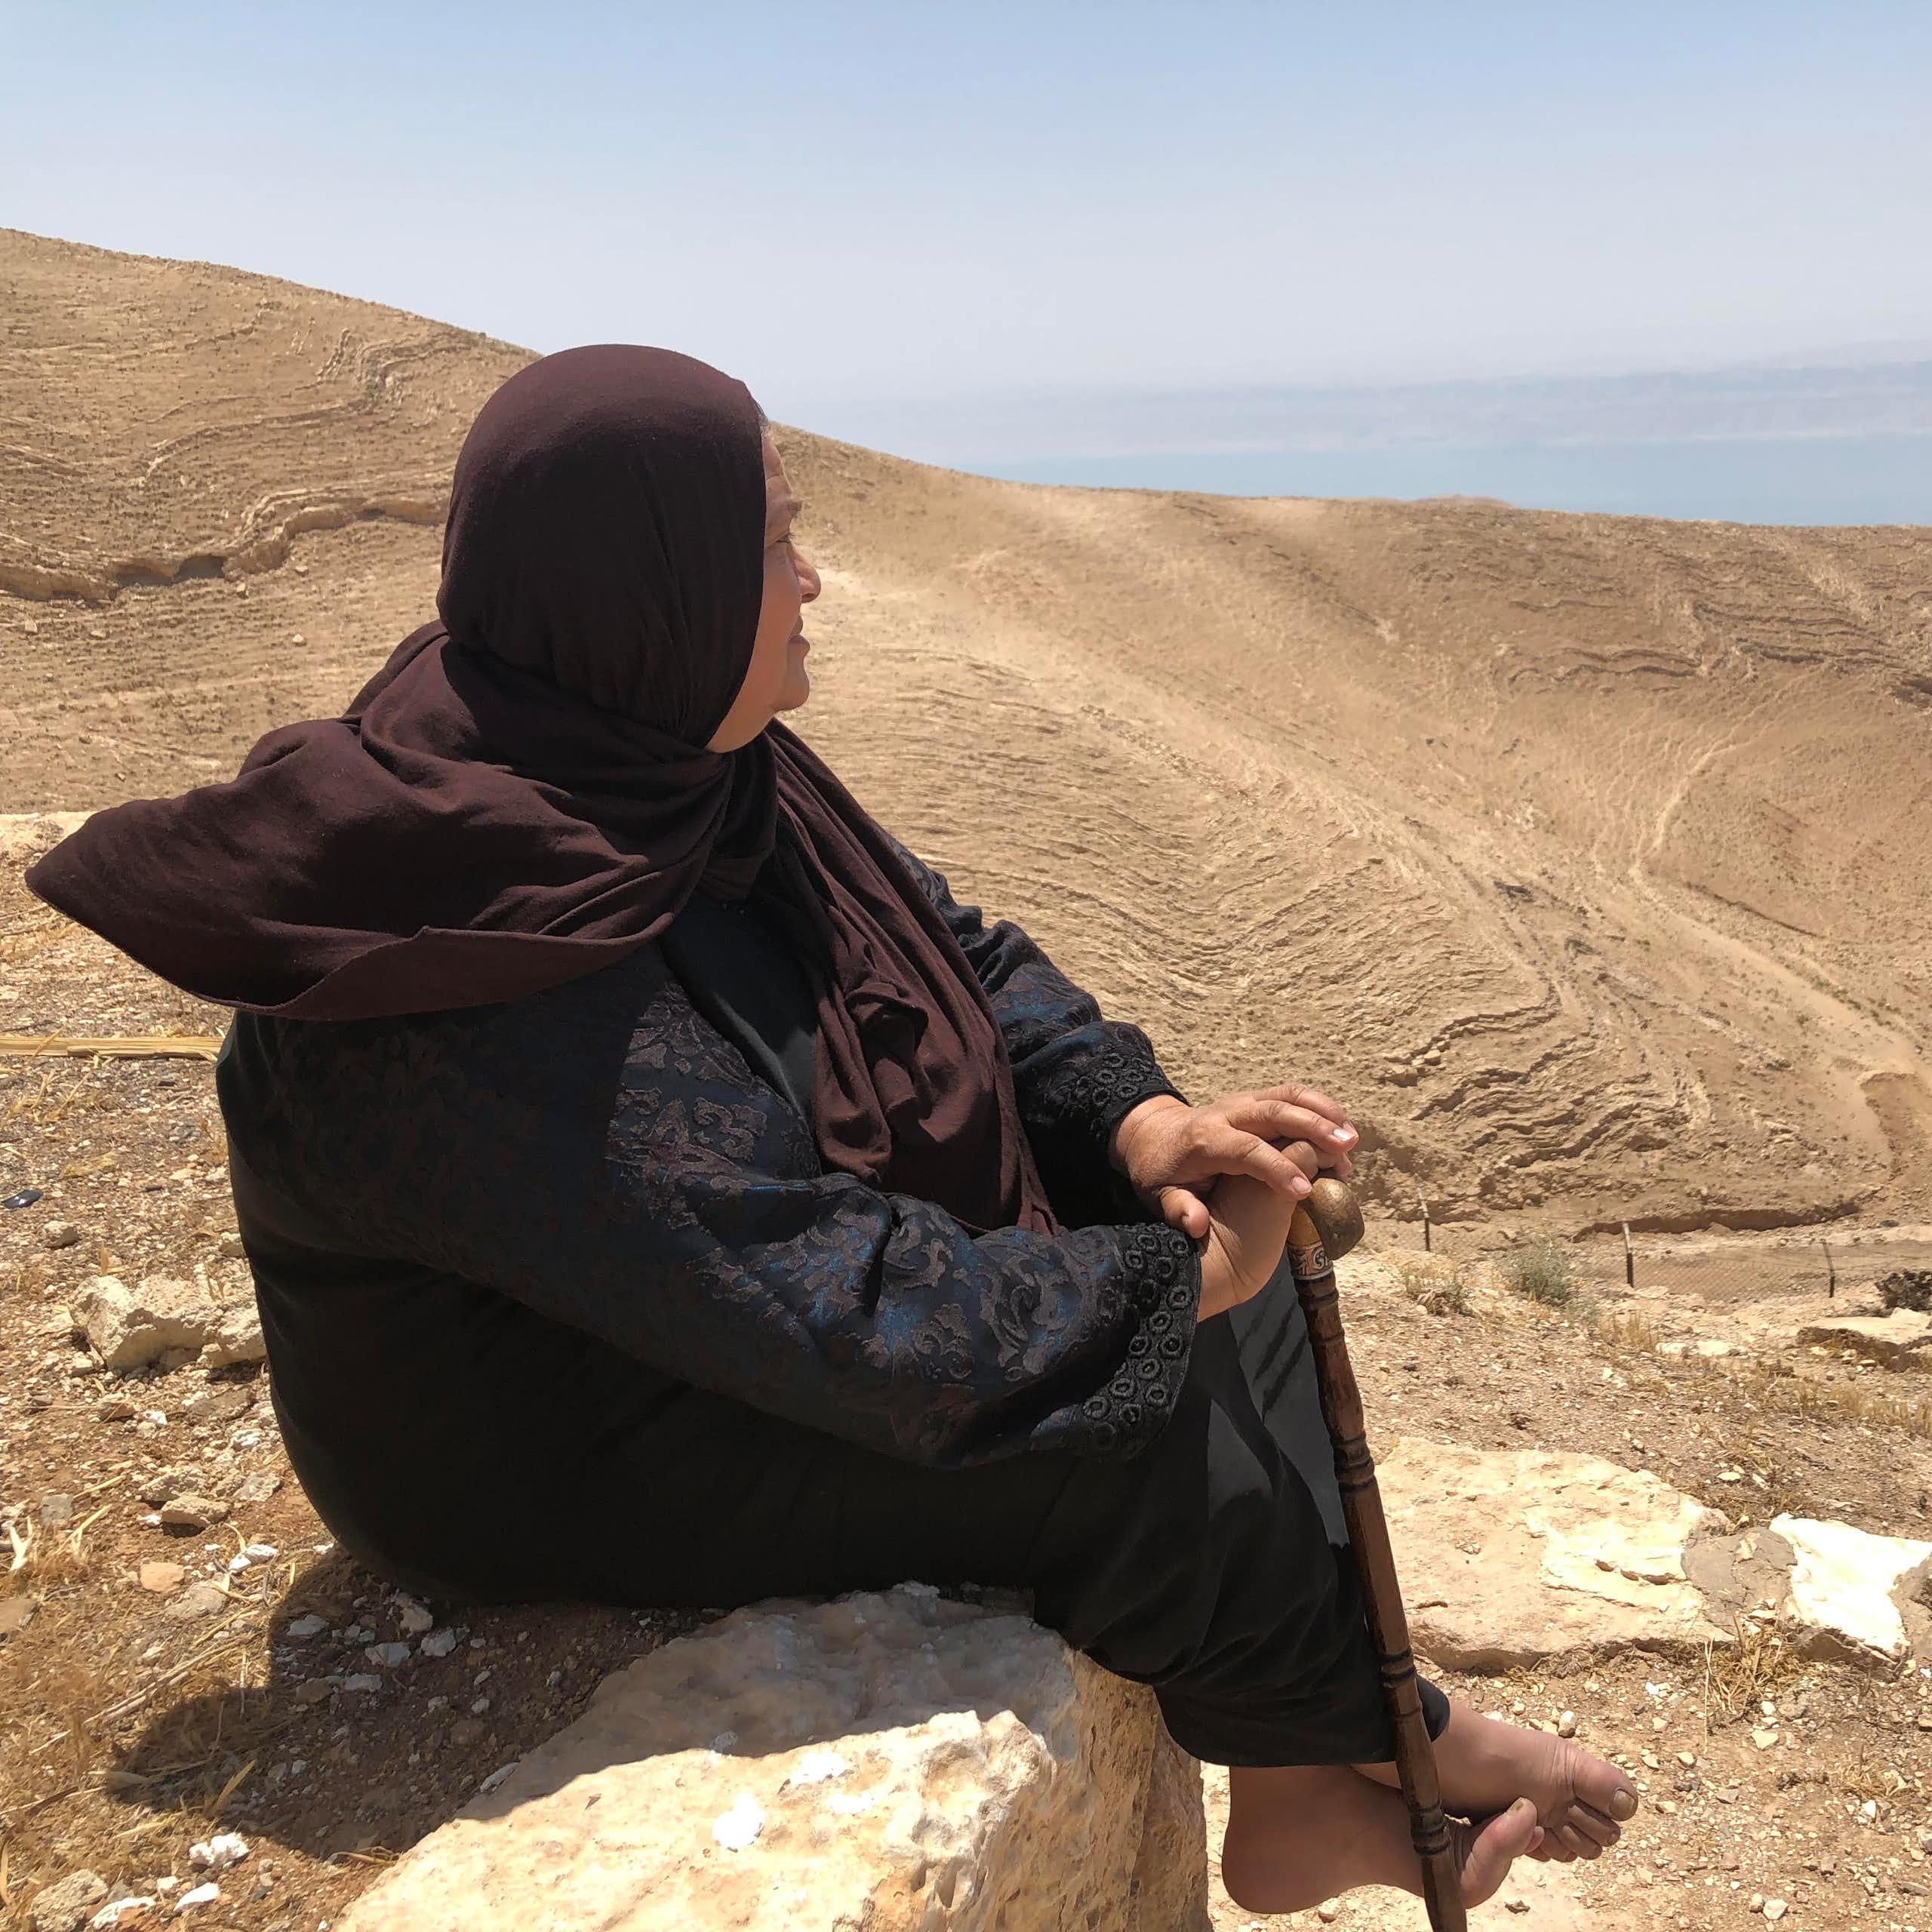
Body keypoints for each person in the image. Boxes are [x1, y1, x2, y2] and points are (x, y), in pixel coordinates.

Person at [26, 346, 1637, 1915]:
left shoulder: (656, 747)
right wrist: (1172, 1296)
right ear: (649, 585)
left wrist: (1136, 1121)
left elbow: (955, 955)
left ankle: (1300, 1771)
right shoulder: (468, 960)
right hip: (534, 1433)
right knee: (1131, 1416)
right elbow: (827, 1298)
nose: (810, 581)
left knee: (1207, 1232)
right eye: (773, 538)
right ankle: (1396, 1734)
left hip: (676, 1295)